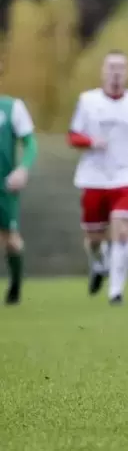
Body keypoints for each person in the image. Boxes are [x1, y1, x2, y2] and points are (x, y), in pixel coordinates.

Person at [68, 50, 128, 304]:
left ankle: (116, 291)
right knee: (94, 238)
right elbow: (72, 136)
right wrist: (90, 141)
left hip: (126, 176)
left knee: (121, 230)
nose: (116, 72)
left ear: (127, 72)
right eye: (111, 67)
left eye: (121, 67)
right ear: (103, 71)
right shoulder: (87, 101)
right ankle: (98, 265)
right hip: (93, 177)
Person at [0, 93, 37, 305]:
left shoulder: (12, 107)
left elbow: (30, 142)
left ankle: (15, 286)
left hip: (4, 186)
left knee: (11, 240)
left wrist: (23, 169)